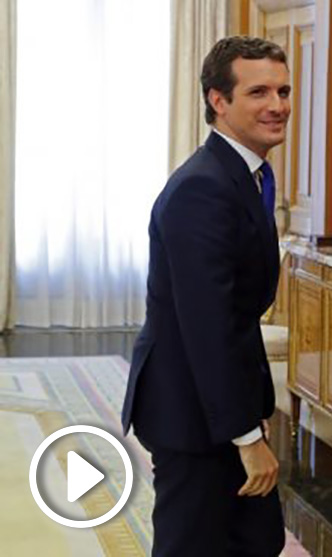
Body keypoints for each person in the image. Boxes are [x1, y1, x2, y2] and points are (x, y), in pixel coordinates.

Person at [121, 36, 291, 556]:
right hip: (191, 411)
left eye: (283, 91)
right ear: (218, 100)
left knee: (256, 540)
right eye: (258, 92)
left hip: (217, 401)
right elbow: (208, 325)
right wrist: (247, 438)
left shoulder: (247, 174)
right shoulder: (203, 187)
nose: (278, 105)